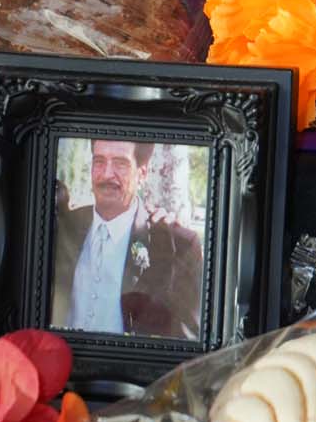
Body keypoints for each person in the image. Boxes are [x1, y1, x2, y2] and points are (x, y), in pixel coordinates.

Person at [51, 140, 203, 339]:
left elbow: (189, 339)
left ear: (142, 174)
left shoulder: (177, 245)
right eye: (99, 162)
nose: (106, 174)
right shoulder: (63, 226)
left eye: (120, 163)